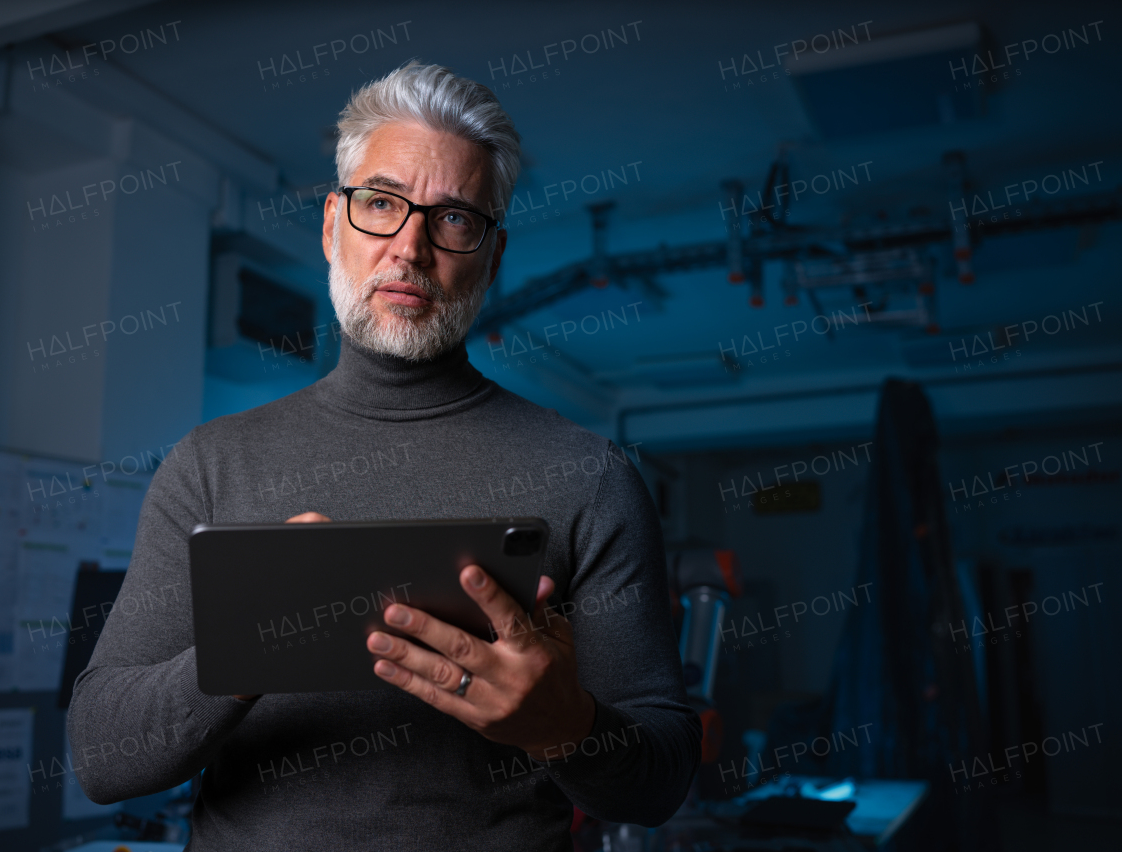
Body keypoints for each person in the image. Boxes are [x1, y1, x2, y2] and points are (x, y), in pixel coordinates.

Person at [68, 60, 700, 851]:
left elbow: (663, 778)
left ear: (493, 257)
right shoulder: (209, 464)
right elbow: (100, 756)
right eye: (381, 204)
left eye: (455, 219)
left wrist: (566, 727)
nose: (410, 247)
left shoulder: (590, 477)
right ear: (334, 225)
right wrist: (241, 652)